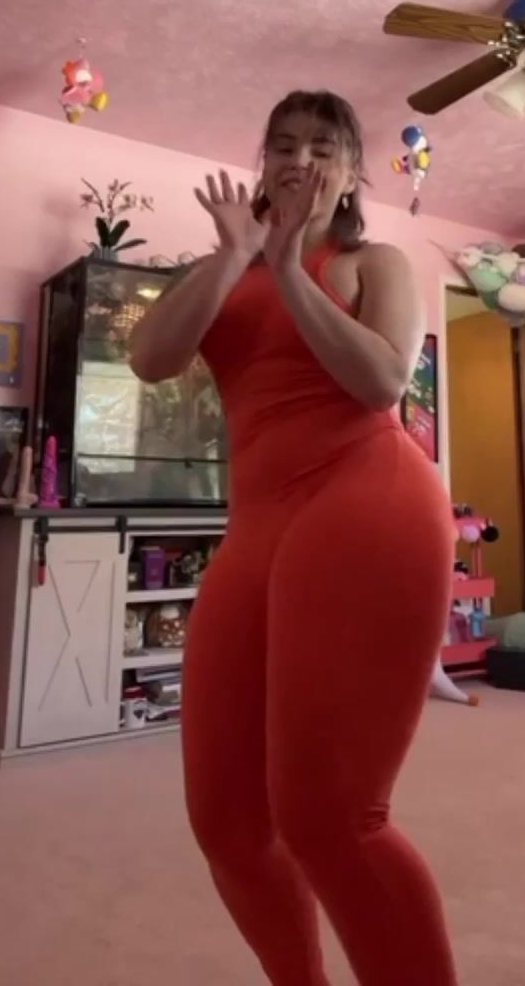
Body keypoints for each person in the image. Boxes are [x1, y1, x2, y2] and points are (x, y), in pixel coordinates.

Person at [130, 90, 457, 986]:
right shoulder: (227, 265)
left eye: (323, 147)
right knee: (226, 822)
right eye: (283, 144)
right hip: (258, 528)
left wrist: (290, 267)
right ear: (263, 162)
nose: (300, 159)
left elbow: (382, 382)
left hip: (366, 501)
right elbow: (151, 359)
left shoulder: (374, 262)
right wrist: (238, 254)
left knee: (329, 816)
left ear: (351, 176)